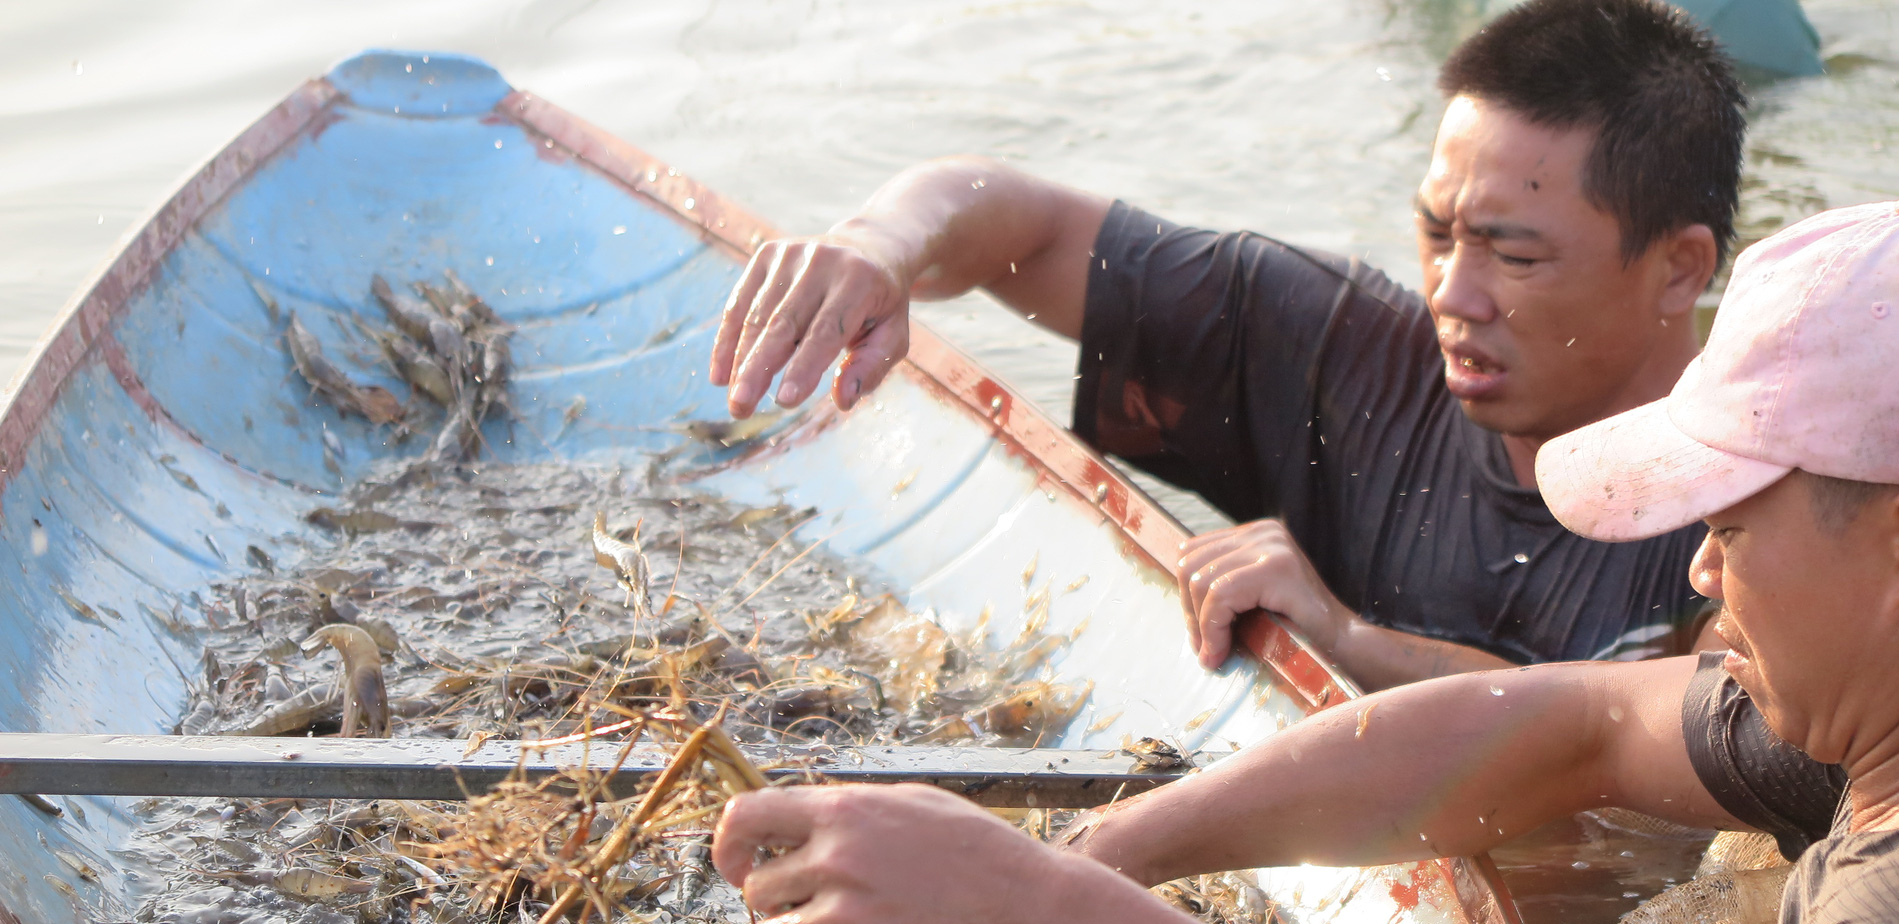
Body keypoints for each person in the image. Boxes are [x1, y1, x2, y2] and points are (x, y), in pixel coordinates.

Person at [706, 198, 1899, 924]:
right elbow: (1579, 725)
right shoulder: (1884, 700)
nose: (1698, 577)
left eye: (1726, 530)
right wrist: (1109, 856)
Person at [707, 0, 1747, 689]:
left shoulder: (1749, 518)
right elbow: (1019, 218)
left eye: (1513, 259)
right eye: (1434, 232)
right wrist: (875, 249)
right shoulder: (1343, 348)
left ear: (1678, 269)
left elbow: (1638, 747)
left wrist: (1344, 643)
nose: (1451, 292)